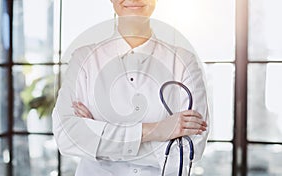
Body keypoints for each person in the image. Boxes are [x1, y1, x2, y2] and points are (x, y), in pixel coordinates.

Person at [52, 0, 209, 175]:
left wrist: (98, 136)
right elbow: (66, 138)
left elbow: (190, 149)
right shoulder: (83, 59)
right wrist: (158, 130)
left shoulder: (183, 61)